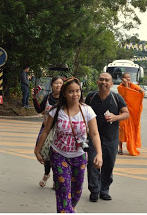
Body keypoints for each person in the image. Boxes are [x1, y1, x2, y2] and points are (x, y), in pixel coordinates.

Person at [34, 77, 102, 213]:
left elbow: (94, 134)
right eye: (71, 91)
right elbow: (46, 130)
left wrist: (99, 153)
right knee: (63, 190)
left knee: (76, 191)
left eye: (77, 91)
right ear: (64, 93)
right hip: (59, 155)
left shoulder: (87, 111)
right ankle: (67, 211)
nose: (75, 94)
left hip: (80, 156)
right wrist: (37, 150)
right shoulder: (56, 111)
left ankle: (70, 209)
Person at [84, 73, 129, 202]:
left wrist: (115, 117)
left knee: (108, 164)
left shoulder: (116, 98)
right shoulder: (91, 97)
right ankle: (94, 190)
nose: (104, 82)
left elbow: (126, 113)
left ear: (111, 84)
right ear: (97, 82)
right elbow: (83, 111)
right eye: (101, 79)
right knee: (93, 164)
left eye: (107, 80)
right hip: (93, 137)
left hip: (111, 138)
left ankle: (104, 190)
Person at [32, 75, 63, 189]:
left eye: (60, 83)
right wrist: (34, 98)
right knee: (44, 154)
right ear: (52, 85)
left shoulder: (65, 99)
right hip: (46, 129)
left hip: (59, 131)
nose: (58, 85)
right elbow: (39, 110)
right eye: (56, 83)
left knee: (57, 155)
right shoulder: (47, 97)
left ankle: (56, 179)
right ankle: (46, 174)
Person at [117, 73, 144, 155]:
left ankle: (132, 146)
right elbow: (126, 95)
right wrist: (125, 85)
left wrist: (140, 91)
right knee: (122, 130)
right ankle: (120, 148)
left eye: (129, 77)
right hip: (123, 112)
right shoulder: (120, 88)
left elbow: (141, 92)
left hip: (132, 113)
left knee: (132, 130)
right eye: (126, 78)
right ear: (122, 79)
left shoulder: (133, 86)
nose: (128, 79)